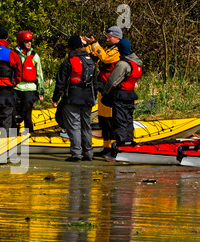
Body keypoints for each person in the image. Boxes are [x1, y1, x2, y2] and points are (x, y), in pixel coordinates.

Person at [52, 35, 98, 162]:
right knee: (86, 126)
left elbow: (60, 82)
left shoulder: (68, 62)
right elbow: (95, 82)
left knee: (74, 126)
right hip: (88, 98)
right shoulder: (90, 61)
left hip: (72, 98)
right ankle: (88, 154)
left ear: (70, 47)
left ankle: (76, 154)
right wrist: (93, 98)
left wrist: (55, 98)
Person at [82, 26, 122, 157]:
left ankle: (113, 147)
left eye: (110, 37)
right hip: (102, 87)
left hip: (111, 88)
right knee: (103, 119)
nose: (107, 39)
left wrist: (95, 44)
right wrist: (88, 45)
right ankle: (106, 147)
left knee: (110, 120)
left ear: (117, 37)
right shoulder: (107, 48)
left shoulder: (117, 51)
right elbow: (93, 55)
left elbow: (105, 59)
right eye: (107, 36)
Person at [102, 38, 142, 147]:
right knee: (128, 121)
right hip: (131, 96)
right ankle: (129, 144)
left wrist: (105, 92)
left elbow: (112, 81)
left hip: (121, 97)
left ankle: (121, 147)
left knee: (120, 122)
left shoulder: (123, 64)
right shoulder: (137, 63)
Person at [13, 31, 45, 132]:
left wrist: (41, 91)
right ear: (21, 42)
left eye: (30, 41)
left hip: (30, 89)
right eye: (27, 41)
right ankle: (13, 135)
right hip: (16, 88)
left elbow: (39, 75)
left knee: (27, 115)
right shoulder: (14, 54)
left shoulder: (34, 56)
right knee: (14, 114)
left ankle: (29, 134)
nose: (29, 43)